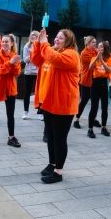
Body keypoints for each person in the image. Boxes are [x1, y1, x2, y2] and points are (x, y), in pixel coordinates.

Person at [31, 28, 80, 184]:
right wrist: (39, 44)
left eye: (61, 38)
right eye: (56, 37)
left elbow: (55, 59)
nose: (56, 40)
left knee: (59, 138)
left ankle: (58, 172)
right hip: (49, 102)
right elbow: (37, 60)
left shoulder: (71, 54)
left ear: (68, 41)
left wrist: (44, 44)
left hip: (63, 104)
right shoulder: (50, 50)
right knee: (51, 137)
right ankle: (52, 164)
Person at [87, 41, 111, 138]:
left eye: (101, 47)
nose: (99, 49)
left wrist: (102, 60)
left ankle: (104, 127)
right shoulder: (94, 58)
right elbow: (90, 68)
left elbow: (109, 70)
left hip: (104, 83)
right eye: (98, 47)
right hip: (95, 83)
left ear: (106, 48)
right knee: (94, 107)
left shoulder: (110, 58)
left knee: (105, 107)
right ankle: (90, 129)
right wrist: (97, 59)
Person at [73, 36, 99, 129]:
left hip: (96, 79)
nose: (95, 44)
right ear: (87, 43)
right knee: (84, 101)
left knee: (95, 102)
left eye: (95, 42)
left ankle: (94, 119)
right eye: (93, 42)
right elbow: (94, 63)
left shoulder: (96, 51)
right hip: (86, 80)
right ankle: (76, 119)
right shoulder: (84, 53)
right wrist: (99, 57)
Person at [22, 30, 39, 120]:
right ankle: (25, 112)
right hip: (28, 72)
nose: (32, 37)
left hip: (38, 72)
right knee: (27, 93)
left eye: (35, 36)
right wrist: (33, 52)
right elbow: (25, 60)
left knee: (40, 92)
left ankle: (40, 112)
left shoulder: (41, 46)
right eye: (31, 35)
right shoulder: (26, 46)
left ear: (38, 37)